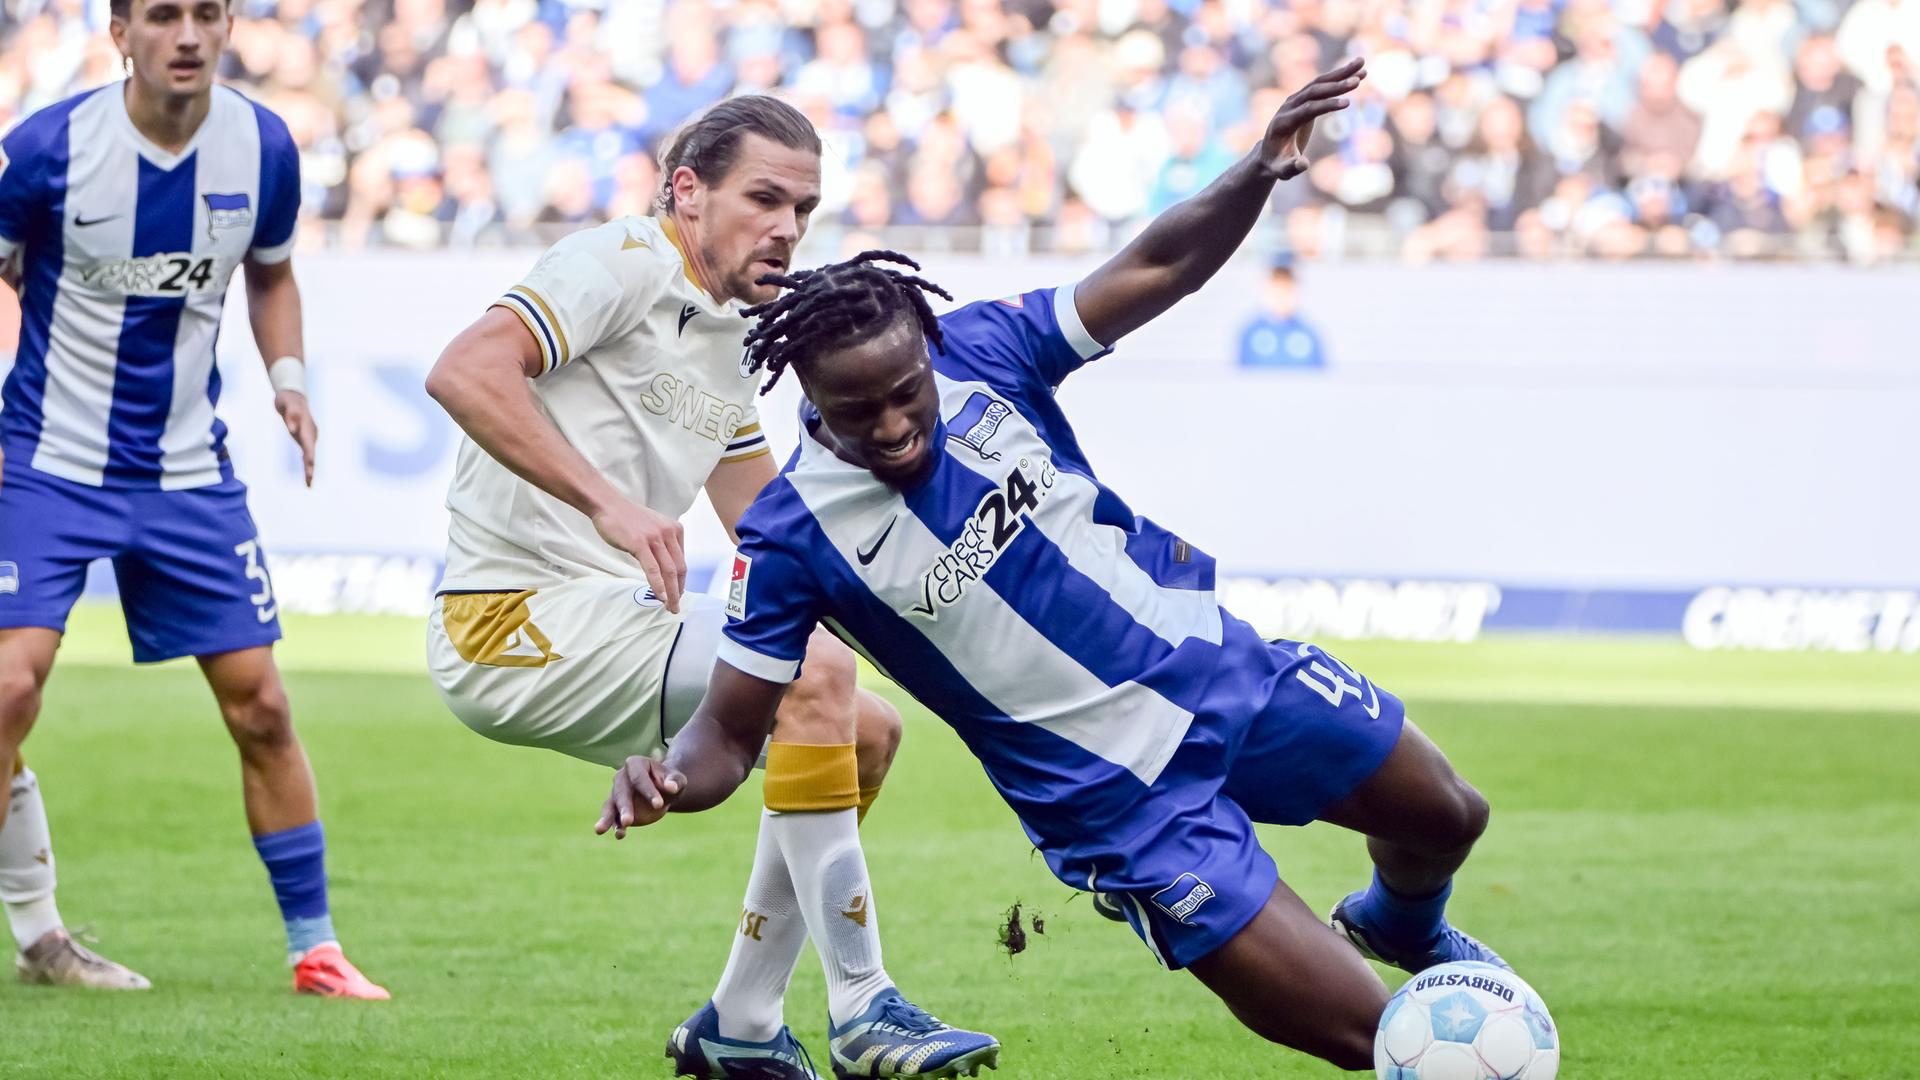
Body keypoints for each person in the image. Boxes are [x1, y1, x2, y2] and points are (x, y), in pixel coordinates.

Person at [600, 60, 1512, 1073]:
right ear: (807, 392)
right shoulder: (791, 534)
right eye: (861, 413)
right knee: (1380, 1041)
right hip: (1118, 804)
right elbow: (730, 734)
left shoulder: (983, 349)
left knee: (1448, 815)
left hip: (1223, 671)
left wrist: (1256, 169)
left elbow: (1158, 266)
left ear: (927, 354)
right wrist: (668, 777)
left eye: (907, 394)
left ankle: (1402, 925)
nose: (895, 425)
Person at [423, 95, 996, 1080]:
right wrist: (610, 506)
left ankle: (741, 1016)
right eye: (763, 199)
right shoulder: (619, 262)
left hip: (604, 617)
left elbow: (772, 530)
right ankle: (864, 1006)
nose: (786, 228)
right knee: (813, 673)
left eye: (803, 209)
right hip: (507, 622)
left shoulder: (734, 334)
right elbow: (465, 371)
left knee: (863, 728)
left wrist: (948, 612)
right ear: (688, 191)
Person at [0, 0, 385, 998]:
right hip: (47, 461)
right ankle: (40, 934)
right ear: (120, 33)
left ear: (227, 28)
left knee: (261, 705)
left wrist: (290, 382)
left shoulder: (263, 147)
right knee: (9, 688)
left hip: (185, 473)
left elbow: (273, 275)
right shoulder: (46, 148)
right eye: (163, 15)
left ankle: (317, 951)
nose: (186, 34)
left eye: (205, 14)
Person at [1235, 254, 1327, 369]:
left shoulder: (1309, 334)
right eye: (1276, 287)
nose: (1281, 295)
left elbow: (1320, 374)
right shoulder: (1250, 333)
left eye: (1287, 287)